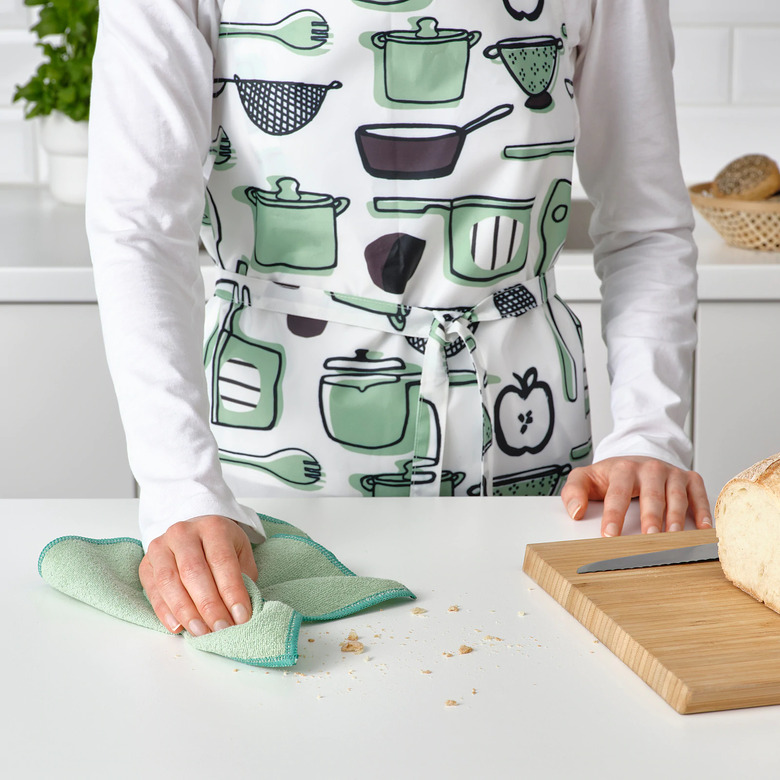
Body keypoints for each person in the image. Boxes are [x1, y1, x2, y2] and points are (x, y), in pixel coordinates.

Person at [86, 0, 711, 638]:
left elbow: (645, 227)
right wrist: (180, 486)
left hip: (528, 450)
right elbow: (140, 231)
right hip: (263, 468)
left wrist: (648, 433)